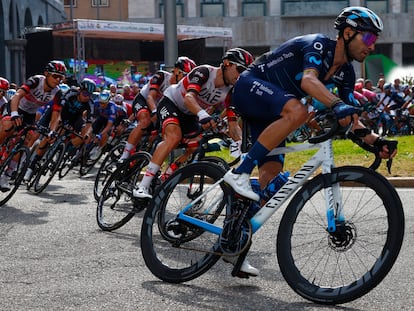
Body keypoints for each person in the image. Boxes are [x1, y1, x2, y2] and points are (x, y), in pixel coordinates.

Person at [222, 7, 397, 276]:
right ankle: (240, 173)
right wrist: (336, 104)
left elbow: (349, 118)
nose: (372, 47)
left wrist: (376, 141)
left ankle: (234, 240)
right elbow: (308, 80)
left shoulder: (347, 74)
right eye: (369, 39)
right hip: (250, 86)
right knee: (299, 111)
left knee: (269, 182)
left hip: (273, 112)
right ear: (348, 33)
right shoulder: (318, 45)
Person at [0, 61, 66, 191]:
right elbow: (18, 95)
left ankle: (7, 176)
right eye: (55, 76)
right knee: (8, 126)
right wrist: (14, 113)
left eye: (61, 77)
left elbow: (56, 113)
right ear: (46, 74)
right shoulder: (36, 80)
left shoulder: (57, 92)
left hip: (30, 114)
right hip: (16, 107)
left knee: (28, 139)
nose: (58, 80)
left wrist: (52, 131)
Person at [117, 56, 197, 163]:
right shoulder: (161, 76)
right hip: (144, 100)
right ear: (176, 71)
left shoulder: (180, 89)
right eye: (185, 75)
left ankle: (142, 156)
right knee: (145, 121)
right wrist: (154, 111)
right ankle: (125, 155)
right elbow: (150, 97)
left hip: (160, 107)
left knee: (158, 135)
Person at [24, 78, 96, 181]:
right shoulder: (71, 92)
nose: (87, 97)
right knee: (49, 136)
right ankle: (31, 167)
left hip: (74, 117)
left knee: (84, 134)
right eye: (85, 93)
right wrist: (58, 122)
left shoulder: (90, 104)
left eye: (89, 94)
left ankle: (66, 150)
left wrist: (87, 134)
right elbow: (58, 110)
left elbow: (89, 123)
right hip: (57, 112)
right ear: (79, 90)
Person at [89, 89, 117, 160]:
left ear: (108, 101)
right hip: (101, 118)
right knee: (90, 130)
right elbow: (89, 115)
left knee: (105, 134)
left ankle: (99, 148)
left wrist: (101, 135)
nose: (102, 105)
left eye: (104, 103)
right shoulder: (96, 103)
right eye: (101, 103)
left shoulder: (112, 107)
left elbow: (109, 125)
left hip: (111, 121)